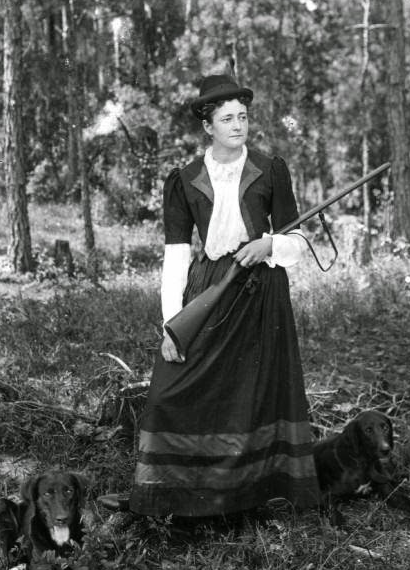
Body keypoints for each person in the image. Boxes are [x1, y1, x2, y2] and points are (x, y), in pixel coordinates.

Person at [128, 73, 321, 520]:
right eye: (227, 118)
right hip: (209, 291)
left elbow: (297, 241)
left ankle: (248, 498)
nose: (238, 125)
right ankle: (180, 498)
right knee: (170, 391)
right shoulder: (183, 179)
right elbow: (176, 256)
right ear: (207, 126)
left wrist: (269, 244)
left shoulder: (271, 168)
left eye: (243, 116)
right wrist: (171, 325)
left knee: (251, 397)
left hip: (261, 294)